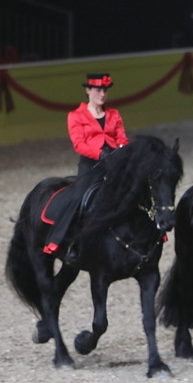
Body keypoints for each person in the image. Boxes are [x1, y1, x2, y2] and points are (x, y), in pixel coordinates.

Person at [43, 73, 129, 258]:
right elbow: (79, 144)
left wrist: (122, 151)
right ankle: (62, 241)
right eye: (98, 90)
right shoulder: (76, 116)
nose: (102, 94)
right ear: (88, 90)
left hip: (115, 163)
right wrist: (100, 154)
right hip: (91, 166)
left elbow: (122, 138)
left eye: (105, 90)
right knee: (78, 197)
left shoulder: (114, 114)